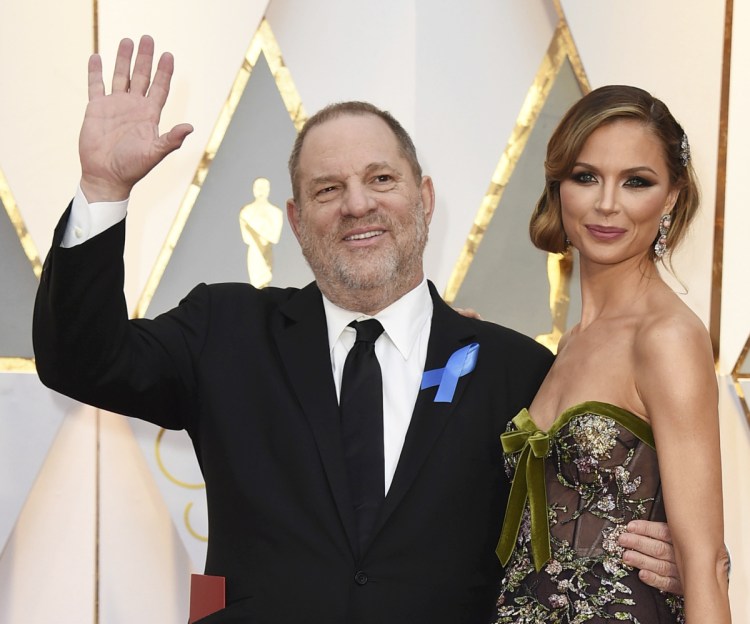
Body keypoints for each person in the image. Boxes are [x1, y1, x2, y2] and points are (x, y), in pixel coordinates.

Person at [32, 37, 682, 623]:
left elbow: (577, 535)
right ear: (295, 217)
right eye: (327, 188)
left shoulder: (517, 370)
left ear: (423, 199)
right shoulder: (223, 330)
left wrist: (667, 562)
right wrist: (102, 188)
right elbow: (82, 361)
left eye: (380, 179)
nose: (357, 204)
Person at [493, 85, 731, 623]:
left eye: (636, 182)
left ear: (670, 197)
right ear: (559, 187)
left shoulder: (667, 337)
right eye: (586, 177)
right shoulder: (569, 344)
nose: (606, 204)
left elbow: (705, 564)